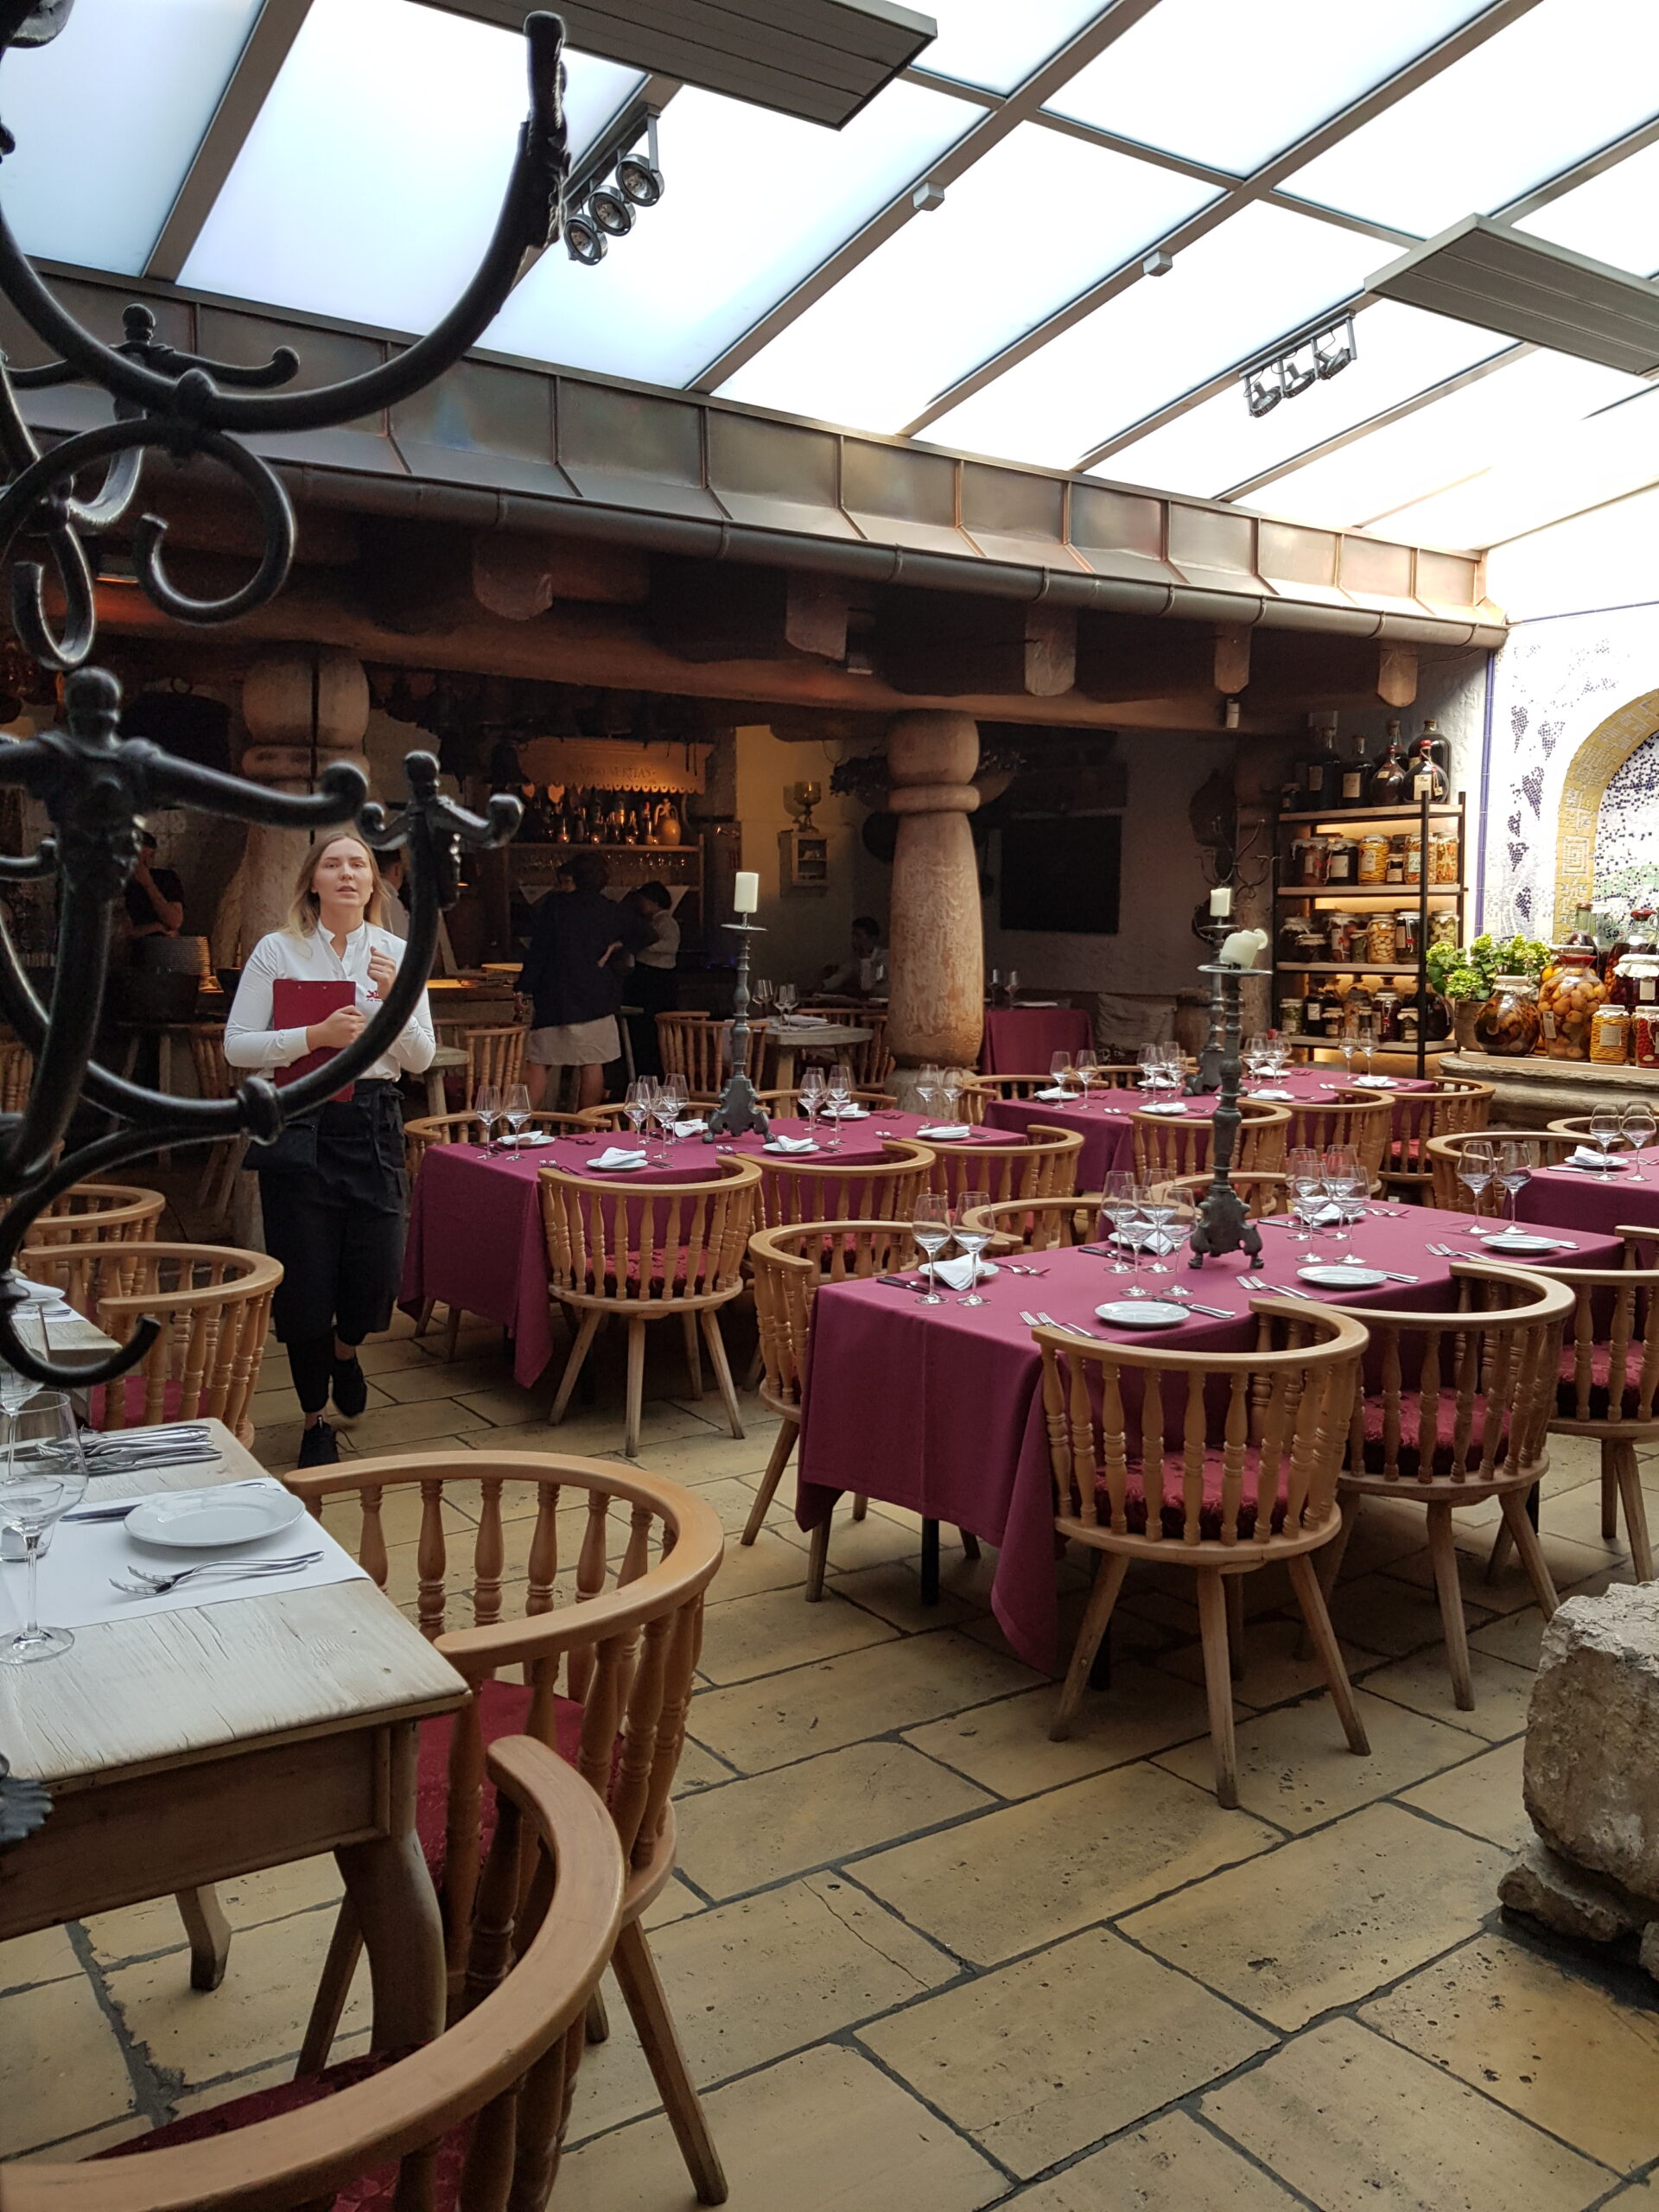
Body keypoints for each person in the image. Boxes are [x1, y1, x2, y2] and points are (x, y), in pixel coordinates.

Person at [224, 832, 435, 1468]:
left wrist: (391, 1005)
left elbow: (421, 1058)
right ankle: (315, 1418)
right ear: (312, 881)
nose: (347, 874)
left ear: (375, 884)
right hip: (301, 1123)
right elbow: (238, 1045)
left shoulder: (399, 953)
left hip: (373, 1122)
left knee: (376, 1276)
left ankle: (347, 1349)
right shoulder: (278, 950)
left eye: (359, 865)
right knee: (306, 1284)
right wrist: (311, 1035)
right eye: (332, 864)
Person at [518, 851, 651, 1109]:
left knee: (538, 1063)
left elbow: (539, 952)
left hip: (555, 997)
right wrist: (618, 946)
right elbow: (647, 931)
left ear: (574, 877)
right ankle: (587, 1127)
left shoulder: (555, 907)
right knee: (592, 1063)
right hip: (596, 997)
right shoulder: (609, 909)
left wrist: (523, 988)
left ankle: (517, 1128)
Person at [625, 880, 678, 1078]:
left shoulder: (666, 922)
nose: (641, 904)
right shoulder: (649, 922)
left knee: (652, 1029)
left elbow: (669, 946)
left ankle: (656, 1074)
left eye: (644, 900)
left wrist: (641, 945)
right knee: (642, 1029)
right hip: (646, 977)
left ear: (654, 901)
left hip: (657, 980)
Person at [123, 830, 184, 939]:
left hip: (161, 947)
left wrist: (149, 884)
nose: (146, 863)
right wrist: (156, 927)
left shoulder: (166, 878)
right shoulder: (119, 884)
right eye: (141, 859)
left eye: (150, 857)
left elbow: (174, 921)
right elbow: (123, 931)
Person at [821, 914, 886, 997]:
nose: (853, 940)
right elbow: (841, 975)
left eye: (858, 936)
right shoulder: (853, 959)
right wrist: (823, 985)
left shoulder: (884, 958)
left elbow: (880, 987)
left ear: (872, 938)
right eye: (853, 936)